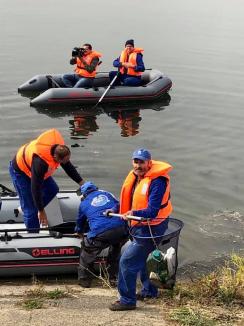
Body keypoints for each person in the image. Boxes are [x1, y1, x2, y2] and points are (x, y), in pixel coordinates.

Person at [109, 148, 173, 311]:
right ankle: (150, 291)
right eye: (135, 161)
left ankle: (127, 300)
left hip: (152, 228)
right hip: (138, 225)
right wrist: (117, 209)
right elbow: (131, 199)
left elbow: (151, 211)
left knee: (127, 262)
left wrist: (133, 213)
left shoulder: (157, 182)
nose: (138, 165)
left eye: (142, 162)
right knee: (144, 259)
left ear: (149, 163)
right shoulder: (135, 177)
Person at [9, 128, 84, 231]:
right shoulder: (41, 163)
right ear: (55, 157)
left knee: (53, 189)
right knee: (31, 210)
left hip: (33, 169)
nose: (66, 162)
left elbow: (69, 168)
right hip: (21, 172)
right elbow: (36, 188)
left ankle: (31, 207)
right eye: (63, 161)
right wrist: (41, 210)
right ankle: (33, 235)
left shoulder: (59, 151)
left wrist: (83, 184)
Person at [75, 181, 128, 288]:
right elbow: (120, 204)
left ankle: (84, 280)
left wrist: (79, 231)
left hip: (101, 231)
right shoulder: (108, 195)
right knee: (115, 250)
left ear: (84, 194)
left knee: (87, 251)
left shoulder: (83, 204)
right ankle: (112, 278)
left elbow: (79, 222)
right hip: (121, 229)